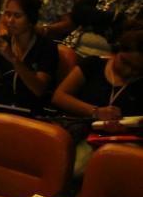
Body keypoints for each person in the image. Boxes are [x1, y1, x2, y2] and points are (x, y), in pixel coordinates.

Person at [52, 28, 143, 178]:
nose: (128, 71)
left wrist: (129, 125)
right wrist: (95, 111)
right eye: (125, 63)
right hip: (82, 131)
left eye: (137, 69)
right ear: (115, 52)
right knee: (69, 165)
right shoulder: (93, 65)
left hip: (122, 141)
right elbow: (59, 96)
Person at [0, 0, 58, 116]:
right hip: (1, 108)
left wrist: (12, 57)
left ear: (30, 19)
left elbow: (38, 89)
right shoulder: (3, 41)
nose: (10, 21)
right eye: (7, 14)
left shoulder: (46, 46)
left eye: (17, 16)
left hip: (31, 112)